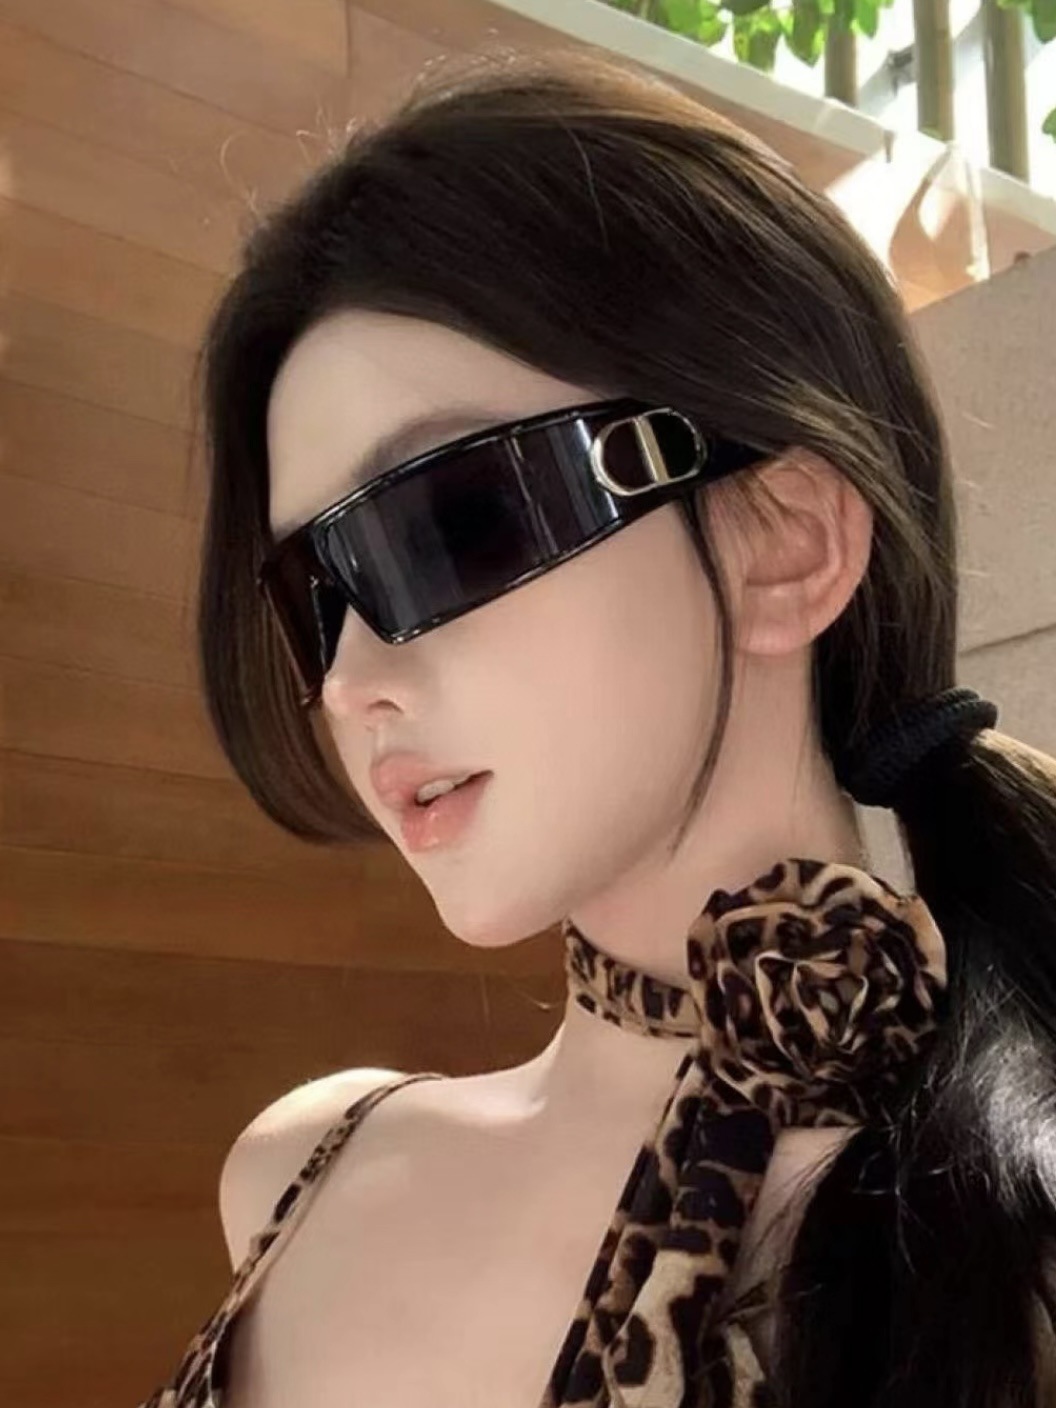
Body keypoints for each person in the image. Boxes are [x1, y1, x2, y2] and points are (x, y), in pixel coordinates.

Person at [139, 46, 1056, 1408]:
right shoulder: (294, 1171)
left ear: (784, 540)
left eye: (442, 527)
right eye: (311, 597)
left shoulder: (1006, 1254)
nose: (348, 679)